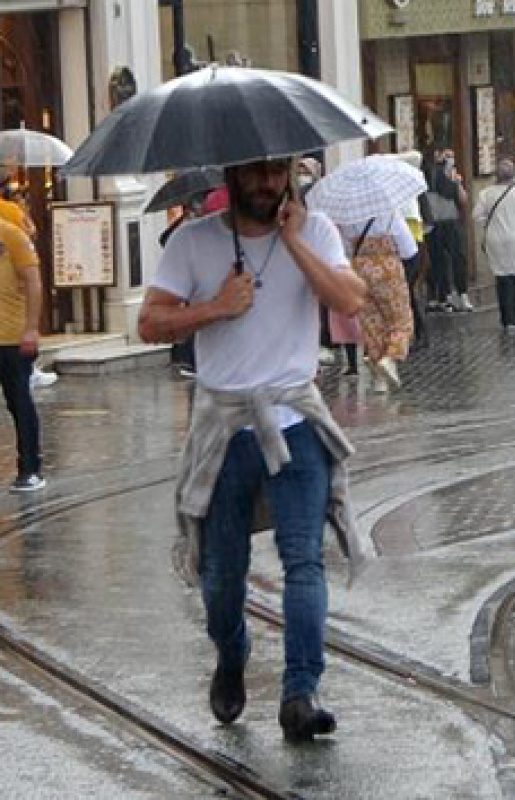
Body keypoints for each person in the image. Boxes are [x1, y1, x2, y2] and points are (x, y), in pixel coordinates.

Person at [138, 157, 369, 741]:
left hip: (294, 420)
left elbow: (349, 300)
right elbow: (148, 323)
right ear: (232, 177)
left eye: (278, 172)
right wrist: (215, 307)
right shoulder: (193, 242)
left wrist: (294, 243)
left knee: (304, 561)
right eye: (256, 173)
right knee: (221, 578)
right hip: (224, 429)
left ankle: (300, 691)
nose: (268, 183)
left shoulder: (312, 232)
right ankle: (232, 653)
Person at [338, 213, 418, 392]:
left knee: (371, 323)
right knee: (400, 320)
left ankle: (379, 381)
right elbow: (409, 249)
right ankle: (390, 357)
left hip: (360, 269)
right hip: (388, 268)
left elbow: (344, 250)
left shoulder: (347, 217)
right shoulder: (389, 214)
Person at [0, 218, 44, 492]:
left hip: (11, 336)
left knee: (18, 401)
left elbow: (33, 281)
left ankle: (30, 467)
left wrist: (31, 328)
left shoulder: (11, 235)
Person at [474, 158, 515, 331]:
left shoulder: (486, 193)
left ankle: (505, 317)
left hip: (495, 239)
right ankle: (514, 318)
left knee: (502, 276)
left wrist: (488, 224)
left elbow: (476, 215)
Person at [426, 149, 472, 312]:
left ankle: (456, 294)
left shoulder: (450, 176)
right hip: (439, 221)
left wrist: (457, 182)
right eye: (446, 156)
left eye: (451, 157)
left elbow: (462, 199)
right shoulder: (430, 174)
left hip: (448, 221)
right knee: (441, 260)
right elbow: (458, 197)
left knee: (454, 258)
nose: (449, 161)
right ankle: (446, 295)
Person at [395, 151, 430, 349]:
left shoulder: (407, 193)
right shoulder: (413, 188)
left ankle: (419, 332)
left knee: (407, 291)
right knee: (407, 291)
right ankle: (417, 333)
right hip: (413, 244)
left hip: (410, 246)